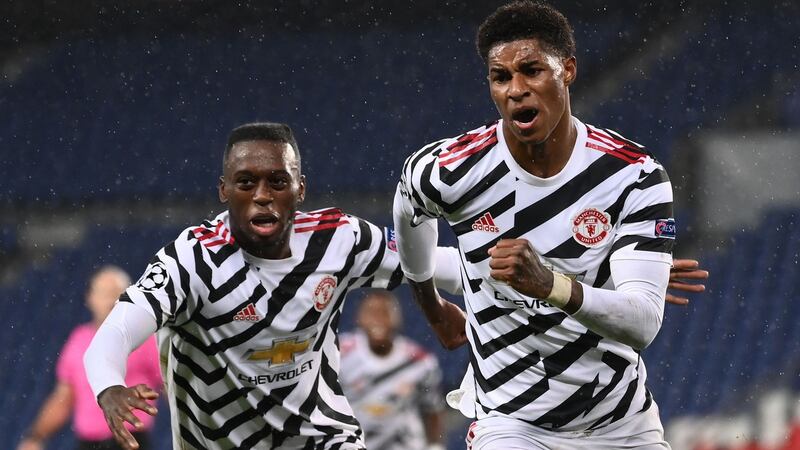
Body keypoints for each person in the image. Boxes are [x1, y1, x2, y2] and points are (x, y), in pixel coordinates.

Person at [393, 1, 703, 448]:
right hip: (510, 423)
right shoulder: (449, 170)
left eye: (531, 70)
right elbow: (408, 211)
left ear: (568, 70)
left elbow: (642, 325)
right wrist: (431, 305)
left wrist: (554, 285)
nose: (516, 90)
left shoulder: (633, 175)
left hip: (620, 424)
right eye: (501, 77)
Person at [82, 122, 464, 450]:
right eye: (246, 182)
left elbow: (439, 263)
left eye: (277, 181)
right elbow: (114, 332)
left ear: (300, 189)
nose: (262, 196)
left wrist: (499, 280)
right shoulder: (191, 260)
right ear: (224, 190)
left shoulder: (339, 239)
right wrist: (109, 387)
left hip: (323, 438)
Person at [17, 266, 161, 450]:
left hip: (132, 441)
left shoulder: (144, 338)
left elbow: (170, 387)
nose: (110, 300)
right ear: (90, 298)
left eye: (116, 293)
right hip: (88, 444)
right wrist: (36, 437)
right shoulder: (78, 339)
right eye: (103, 293)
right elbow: (64, 397)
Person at [339, 290, 445, 450]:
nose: (378, 319)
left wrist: (436, 446)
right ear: (359, 318)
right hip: (355, 444)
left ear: (398, 319)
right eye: (371, 312)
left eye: (384, 313)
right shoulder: (339, 353)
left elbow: (432, 409)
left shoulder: (420, 362)